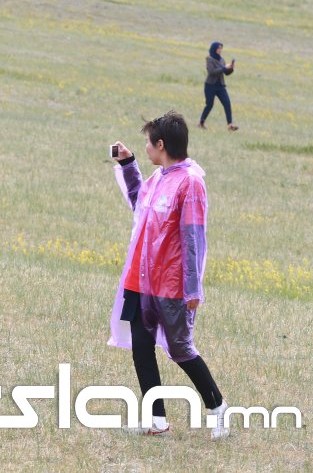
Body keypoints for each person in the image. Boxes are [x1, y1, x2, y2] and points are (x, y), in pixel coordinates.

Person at [108, 112, 229, 439]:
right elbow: (140, 204)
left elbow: (193, 238)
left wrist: (192, 288)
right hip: (140, 280)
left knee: (180, 350)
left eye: (148, 143)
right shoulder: (159, 177)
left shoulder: (190, 182)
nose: (146, 147)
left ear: (161, 145)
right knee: (141, 347)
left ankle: (217, 407)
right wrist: (128, 164)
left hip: (170, 285)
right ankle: (156, 419)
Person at [198, 42, 238, 131]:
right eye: (218, 48)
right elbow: (212, 71)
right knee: (209, 105)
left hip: (221, 86)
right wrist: (224, 68)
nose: (220, 50)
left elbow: (226, 73)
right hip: (210, 86)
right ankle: (201, 123)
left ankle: (230, 125)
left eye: (221, 48)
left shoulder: (221, 59)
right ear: (214, 49)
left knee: (227, 103)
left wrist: (231, 68)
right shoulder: (209, 59)